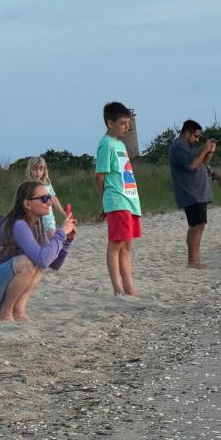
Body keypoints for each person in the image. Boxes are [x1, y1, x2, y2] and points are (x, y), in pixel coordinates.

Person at [0, 180, 76, 321]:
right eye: (45, 198)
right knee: (28, 262)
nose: (50, 202)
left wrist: (67, 241)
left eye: (50, 197)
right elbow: (44, 260)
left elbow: (53, 264)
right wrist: (62, 232)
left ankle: (18, 311)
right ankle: (5, 313)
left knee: (37, 265)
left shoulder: (35, 227)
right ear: (27, 204)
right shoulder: (18, 225)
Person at [96, 101, 142, 298]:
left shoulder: (120, 144)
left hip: (130, 200)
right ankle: (118, 288)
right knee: (116, 243)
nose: (127, 127)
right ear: (110, 123)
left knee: (127, 245)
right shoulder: (106, 144)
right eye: (123, 123)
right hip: (117, 200)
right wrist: (106, 201)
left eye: (128, 122)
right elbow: (100, 176)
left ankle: (129, 286)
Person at [168, 120, 221, 269]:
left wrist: (209, 151)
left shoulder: (187, 147)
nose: (197, 140)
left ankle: (195, 259)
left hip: (198, 193)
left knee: (199, 225)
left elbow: (202, 163)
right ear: (187, 133)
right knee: (196, 226)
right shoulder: (178, 146)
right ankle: (192, 261)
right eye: (196, 136)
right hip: (191, 193)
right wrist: (204, 150)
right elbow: (192, 165)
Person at [26, 156, 66, 238]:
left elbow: (53, 199)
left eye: (41, 169)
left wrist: (63, 213)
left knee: (53, 238)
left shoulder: (47, 184)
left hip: (48, 219)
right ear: (30, 170)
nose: (38, 172)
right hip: (34, 221)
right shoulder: (28, 186)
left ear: (44, 171)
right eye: (35, 169)